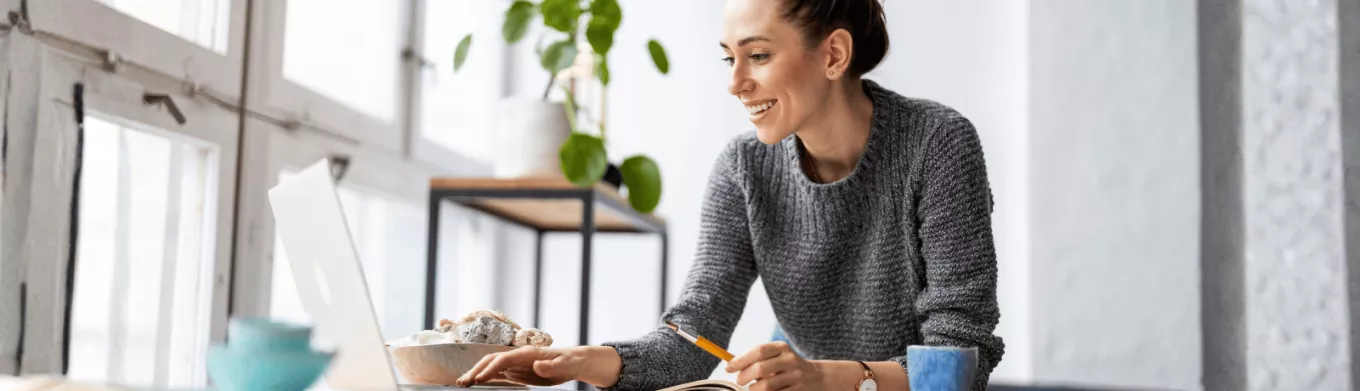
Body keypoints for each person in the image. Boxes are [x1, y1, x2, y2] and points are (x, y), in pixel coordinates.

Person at [456, 0, 1004, 389]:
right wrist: (577, 361)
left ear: (834, 54)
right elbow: (692, 338)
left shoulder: (938, 144)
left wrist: (831, 377)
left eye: (758, 56)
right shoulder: (743, 169)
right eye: (728, 57)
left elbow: (957, 361)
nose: (735, 82)